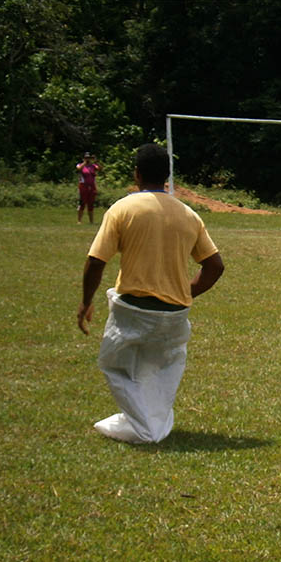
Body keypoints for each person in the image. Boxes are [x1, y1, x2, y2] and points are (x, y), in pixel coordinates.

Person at [76, 144, 225, 443]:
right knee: (159, 369)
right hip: (174, 316)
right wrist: (186, 291)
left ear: (137, 174)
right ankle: (147, 420)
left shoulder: (123, 209)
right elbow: (215, 266)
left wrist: (86, 301)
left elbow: (96, 262)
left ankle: (146, 429)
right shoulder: (188, 215)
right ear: (168, 176)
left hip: (133, 310)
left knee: (114, 364)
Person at [76, 152, 102, 224]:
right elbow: (79, 168)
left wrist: (96, 161)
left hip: (92, 186)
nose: (88, 159)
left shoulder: (93, 166)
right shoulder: (80, 165)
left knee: (91, 203)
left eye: (89, 158)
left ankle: (91, 221)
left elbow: (100, 168)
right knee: (82, 202)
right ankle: (79, 220)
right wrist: (84, 162)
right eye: (86, 158)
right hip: (83, 186)